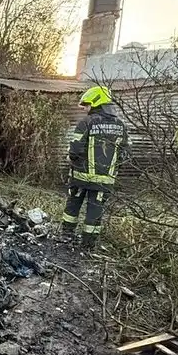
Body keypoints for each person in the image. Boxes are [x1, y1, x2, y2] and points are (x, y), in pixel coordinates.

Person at [62, 86, 129, 249]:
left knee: (73, 205)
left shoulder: (87, 122)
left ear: (96, 103)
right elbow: (125, 153)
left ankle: (66, 236)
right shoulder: (121, 125)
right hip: (105, 181)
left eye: (87, 105)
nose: (84, 109)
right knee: (95, 211)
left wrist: (70, 157)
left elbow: (75, 149)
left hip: (81, 177)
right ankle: (88, 244)